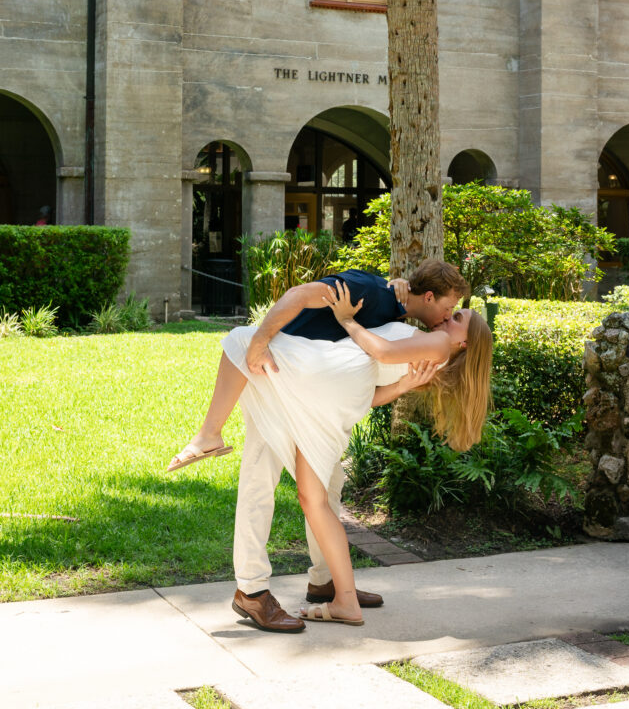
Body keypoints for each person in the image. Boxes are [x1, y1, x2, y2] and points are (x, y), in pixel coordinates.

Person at [167, 261, 486, 631]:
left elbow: (373, 369)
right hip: (290, 377)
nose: (449, 316)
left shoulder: (420, 327)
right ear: (430, 296)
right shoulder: (376, 292)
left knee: (325, 493)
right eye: (451, 309)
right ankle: (253, 592)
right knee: (264, 482)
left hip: (322, 397)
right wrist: (258, 342)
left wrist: (380, 355)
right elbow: (301, 297)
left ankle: (328, 582)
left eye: (456, 316)